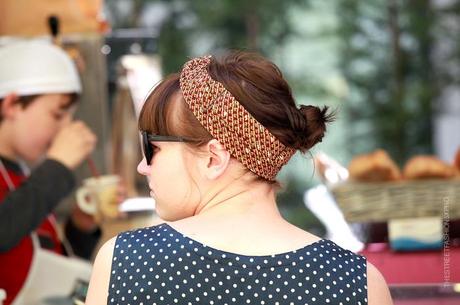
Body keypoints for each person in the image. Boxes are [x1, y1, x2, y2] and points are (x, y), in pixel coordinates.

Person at [86, 51, 393, 305]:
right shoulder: (358, 282)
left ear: (214, 158)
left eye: (152, 148)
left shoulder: (125, 263)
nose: (143, 166)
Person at [0, 40, 98, 305]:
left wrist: (80, 228)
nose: (65, 128)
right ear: (12, 106)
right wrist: (57, 168)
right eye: (57, 115)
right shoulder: (41, 177)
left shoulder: (23, 171)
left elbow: (47, 266)